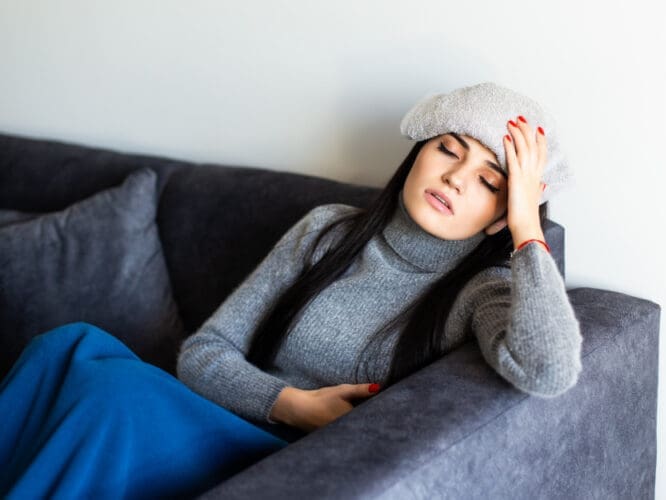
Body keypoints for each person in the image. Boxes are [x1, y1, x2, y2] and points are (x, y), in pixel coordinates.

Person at [0, 81, 583, 498]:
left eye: (488, 180)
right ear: (417, 154)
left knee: (112, 395)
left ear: (499, 213)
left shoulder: (484, 291)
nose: (456, 176)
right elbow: (203, 355)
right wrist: (294, 404)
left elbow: (550, 369)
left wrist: (528, 230)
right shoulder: (327, 230)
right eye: (448, 149)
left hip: (285, 464)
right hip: (234, 418)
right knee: (66, 343)